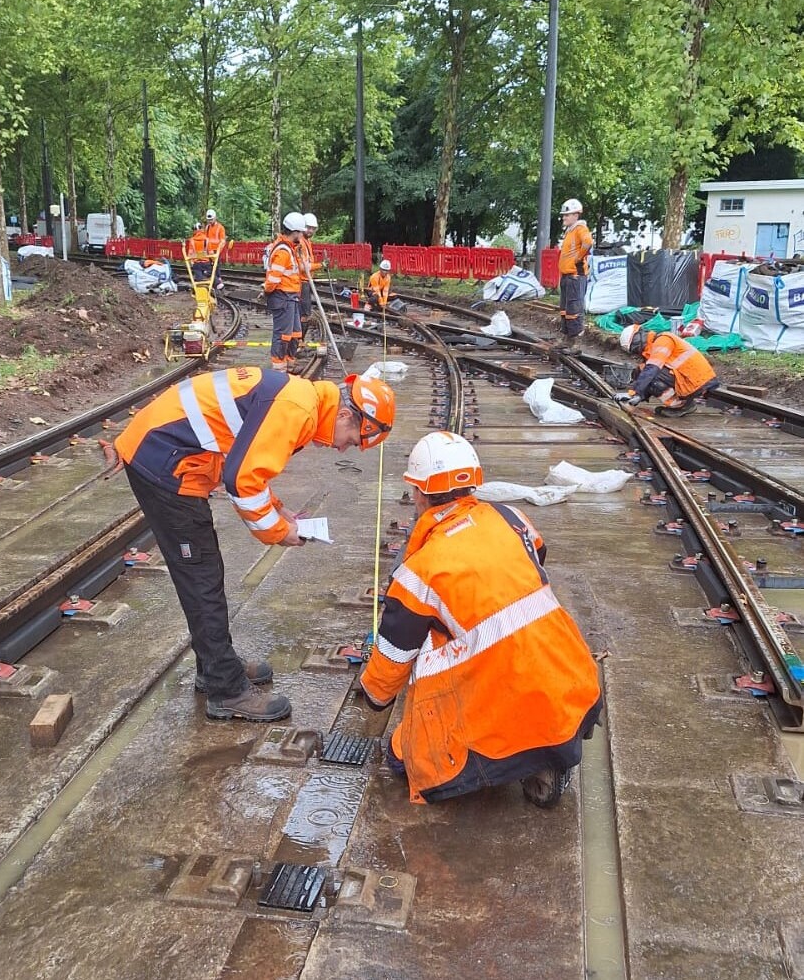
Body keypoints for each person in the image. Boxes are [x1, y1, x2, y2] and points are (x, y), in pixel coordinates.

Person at [114, 366, 396, 722]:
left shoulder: (301, 400)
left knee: (204, 573)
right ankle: (225, 690)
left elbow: (246, 460)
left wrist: (280, 511)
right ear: (343, 415)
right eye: (352, 439)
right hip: (161, 461)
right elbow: (241, 481)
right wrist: (280, 532)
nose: (343, 449)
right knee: (201, 576)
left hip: (167, 449)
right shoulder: (299, 411)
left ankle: (217, 665)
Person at [358, 431, 602, 807]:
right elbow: (537, 558)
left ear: (419, 493)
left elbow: (393, 655)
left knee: (402, 755)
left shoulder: (421, 569)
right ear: (472, 481)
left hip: (496, 695)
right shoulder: (512, 516)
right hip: (570, 681)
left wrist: (374, 698)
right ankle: (546, 756)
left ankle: (510, 760)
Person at [614, 324, 720, 416]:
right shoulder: (654, 346)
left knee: (651, 376)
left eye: (634, 348)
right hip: (690, 378)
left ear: (638, 340)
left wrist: (633, 393)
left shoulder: (663, 340)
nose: (636, 352)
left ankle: (681, 406)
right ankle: (682, 403)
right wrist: (639, 396)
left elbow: (652, 369)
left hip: (697, 380)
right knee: (641, 371)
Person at [264, 212, 306, 372]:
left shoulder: (291, 249)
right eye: (300, 232)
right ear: (294, 232)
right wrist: (268, 292)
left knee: (295, 333)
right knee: (283, 335)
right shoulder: (283, 252)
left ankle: (289, 364)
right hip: (282, 298)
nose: (302, 235)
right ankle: (279, 370)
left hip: (292, 298)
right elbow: (273, 280)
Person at [557, 198, 593, 342]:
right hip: (567, 276)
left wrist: (578, 258)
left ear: (576, 215)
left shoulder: (580, 229)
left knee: (574, 308)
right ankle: (567, 337)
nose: (564, 217)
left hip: (575, 275)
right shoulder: (570, 231)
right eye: (564, 215)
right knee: (565, 309)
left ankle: (575, 341)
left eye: (567, 215)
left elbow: (588, 242)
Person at [299, 212, 319, 337]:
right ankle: (299, 341)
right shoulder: (301, 243)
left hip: (306, 280)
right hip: (301, 282)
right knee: (304, 314)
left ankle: (299, 340)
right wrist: (321, 265)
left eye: (313, 228)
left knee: (304, 313)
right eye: (308, 227)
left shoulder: (307, 242)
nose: (310, 230)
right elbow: (303, 267)